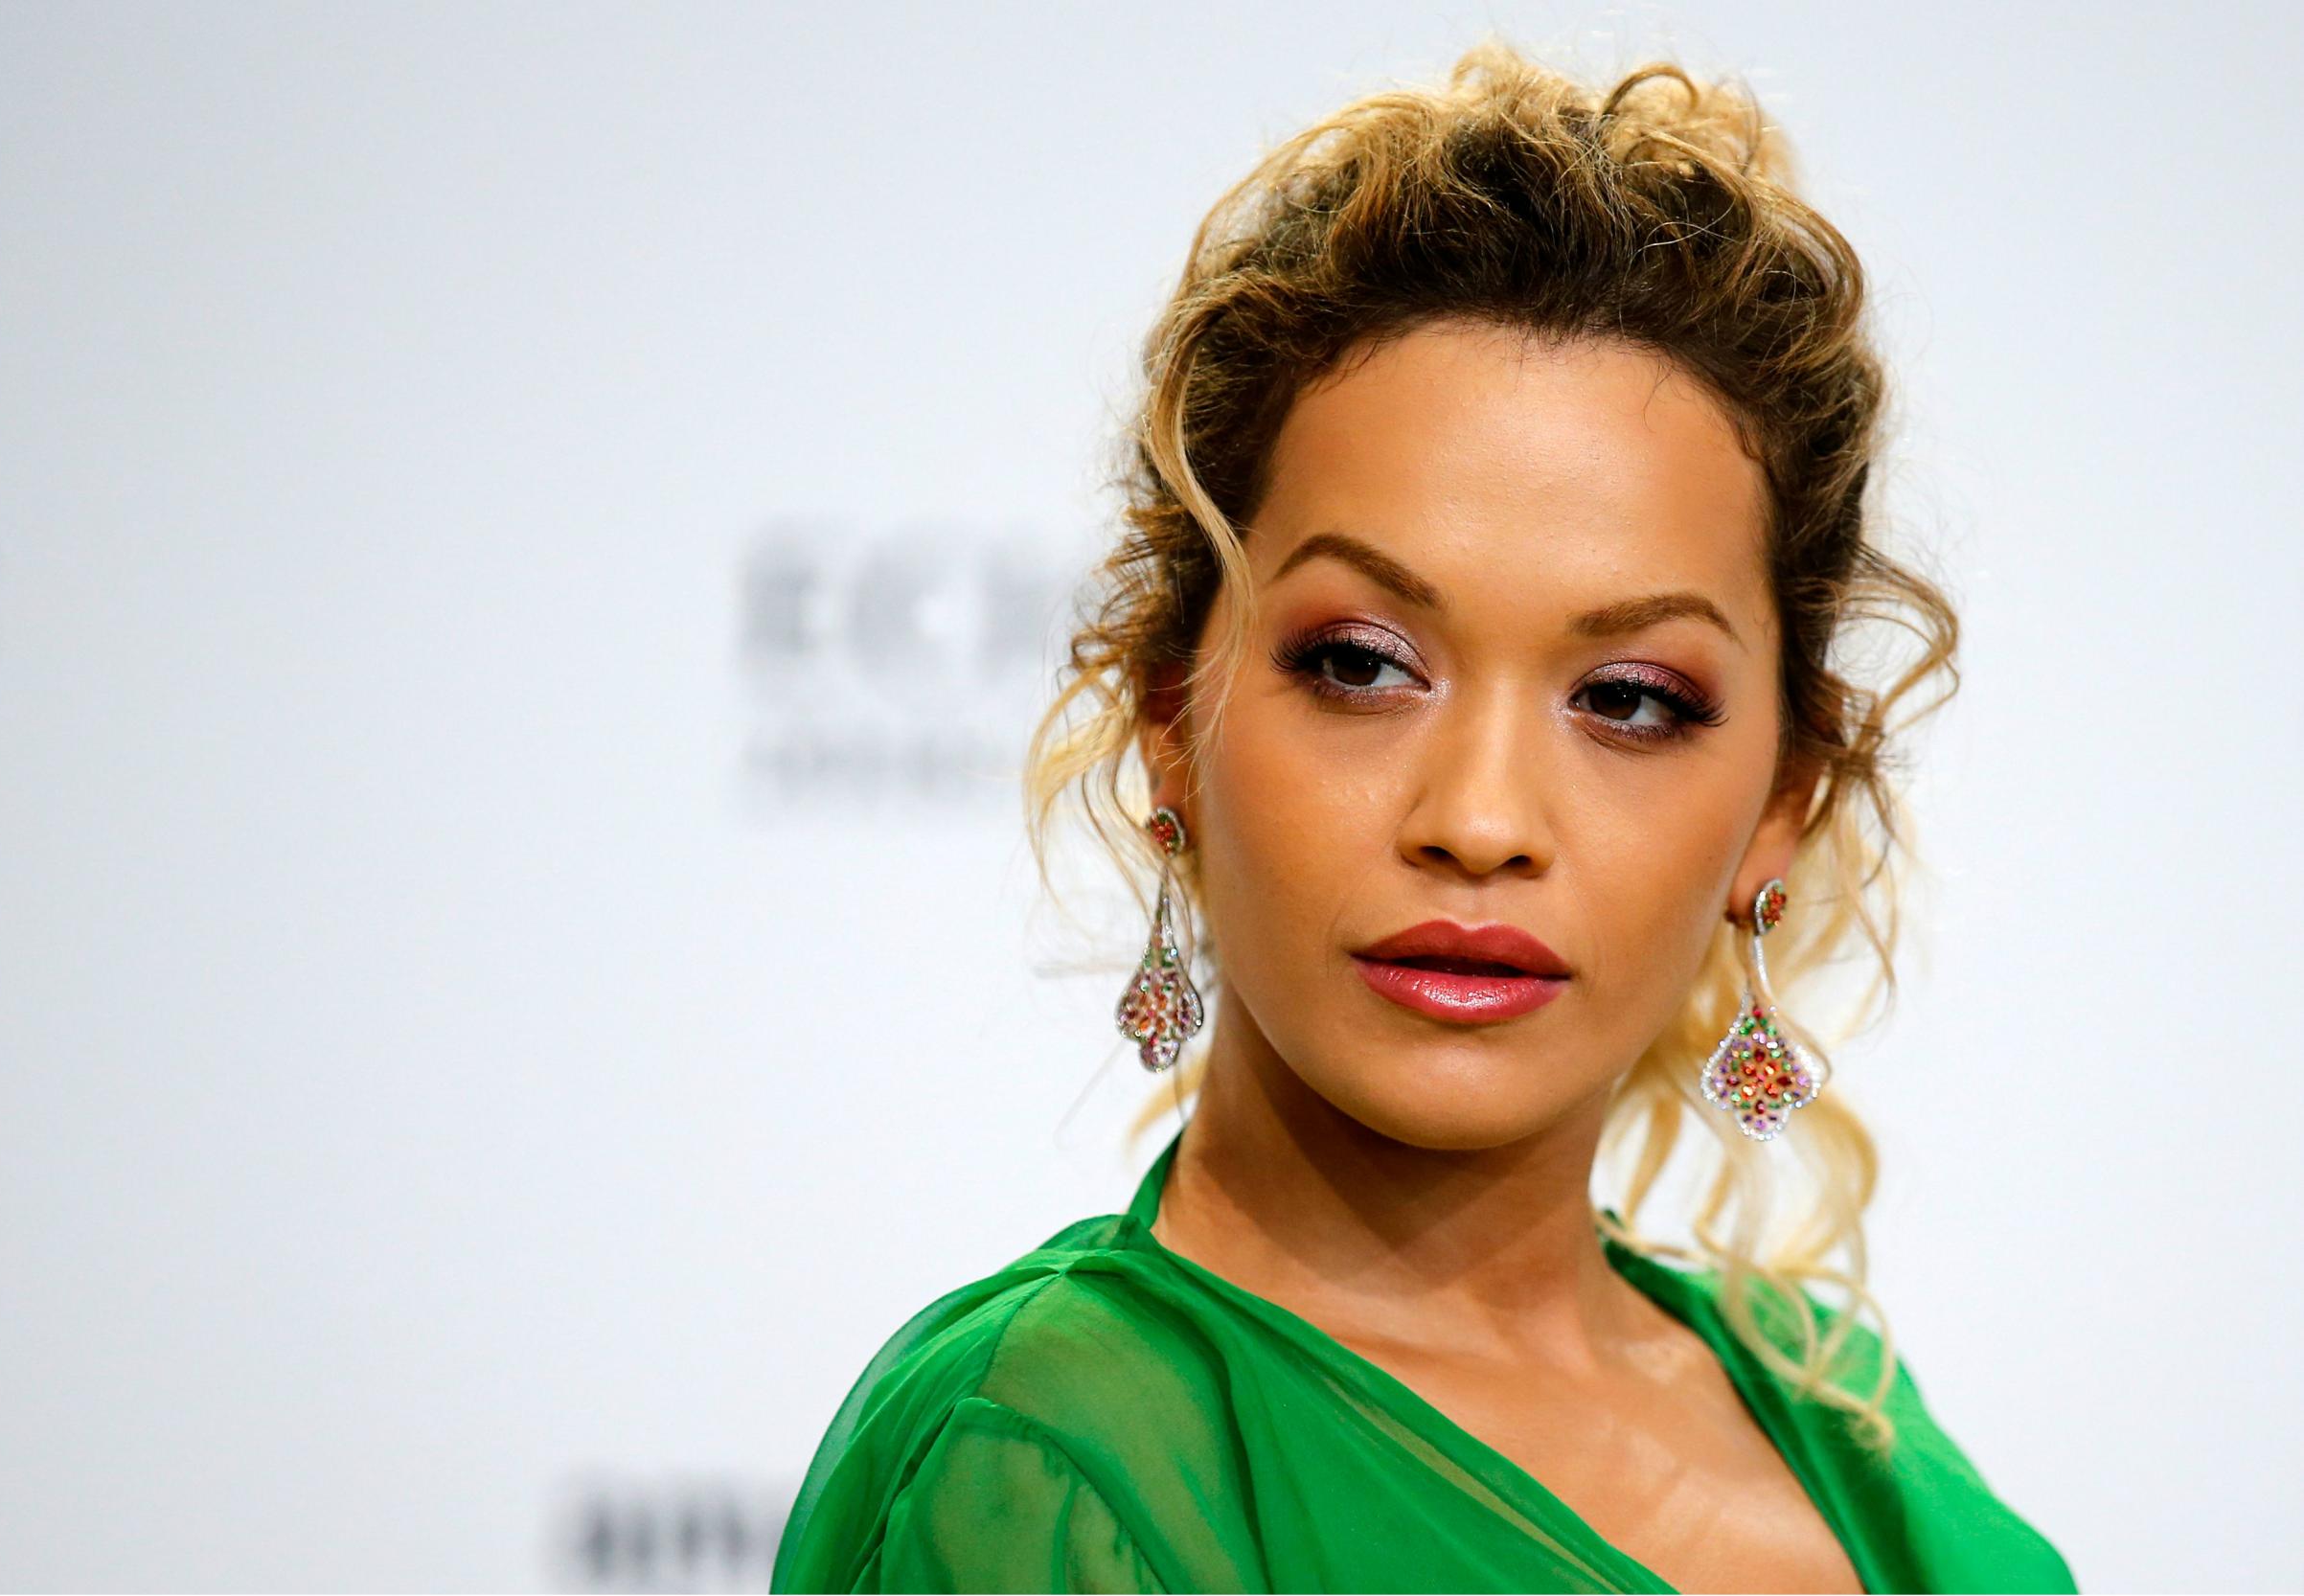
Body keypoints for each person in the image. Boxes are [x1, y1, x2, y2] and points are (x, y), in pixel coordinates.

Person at [771, 34, 2076, 1595]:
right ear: (1171, 722)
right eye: (1362, 664)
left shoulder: (1849, 1422)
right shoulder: (1048, 1455)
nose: (1480, 818)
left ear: (1780, 808)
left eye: (1631, 698)